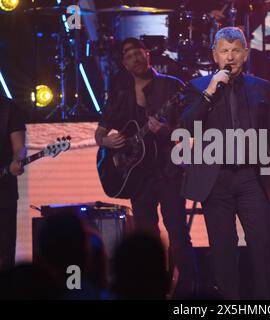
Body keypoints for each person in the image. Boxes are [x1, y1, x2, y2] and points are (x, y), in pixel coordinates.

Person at [181, 27, 270, 299]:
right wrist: (209, 92)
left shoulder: (262, 88)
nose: (229, 57)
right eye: (224, 51)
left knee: (263, 244)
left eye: (235, 51)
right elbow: (186, 126)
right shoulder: (197, 87)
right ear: (215, 55)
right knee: (222, 248)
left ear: (245, 54)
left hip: (251, 176)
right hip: (215, 177)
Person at [94, 38, 196, 298]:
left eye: (138, 53)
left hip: (169, 172)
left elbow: (191, 133)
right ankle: (150, 291)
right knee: (147, 236)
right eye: (128, 56)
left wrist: (165, 131)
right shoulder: (120, 92)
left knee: (178, 233)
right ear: (124, 64)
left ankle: (188, 292)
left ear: (147, 55)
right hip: (137, 178)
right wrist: (106, 141)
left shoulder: (173, 87)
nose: (134, 59)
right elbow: (100, 132)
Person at [0, 95, 26, 271]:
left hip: (3, 192)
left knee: (5, 252)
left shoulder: (7, 108)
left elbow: (19, 148)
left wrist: (18, 160)